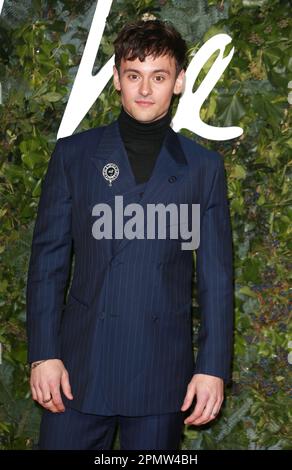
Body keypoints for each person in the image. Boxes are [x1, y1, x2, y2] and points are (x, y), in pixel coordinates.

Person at [26, 19, 234, 450]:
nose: (144, 89)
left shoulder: (202, 168)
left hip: (162, 373)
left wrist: (212, 368)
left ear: (177, 82)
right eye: (133, 75)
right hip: (78, 370)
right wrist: (44, 353)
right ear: (117, 80)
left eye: (158, 77)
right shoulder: (74, 156)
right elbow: (47, 265)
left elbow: (216, 279)